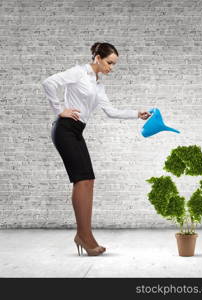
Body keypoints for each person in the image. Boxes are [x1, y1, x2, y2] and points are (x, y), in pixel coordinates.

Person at [42, 42, 151, 256]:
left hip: (76, 131)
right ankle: (84, 235)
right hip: (64, 129)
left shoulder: (98, 85)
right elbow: (49, 83)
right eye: (110, 62)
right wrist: (60, 109)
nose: (112, 67)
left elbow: (111, 111)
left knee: (88, 180)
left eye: (114, 64)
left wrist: (136, 114)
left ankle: (85, 234)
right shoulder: (79, 72)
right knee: (81, 180)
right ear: (98, 58)